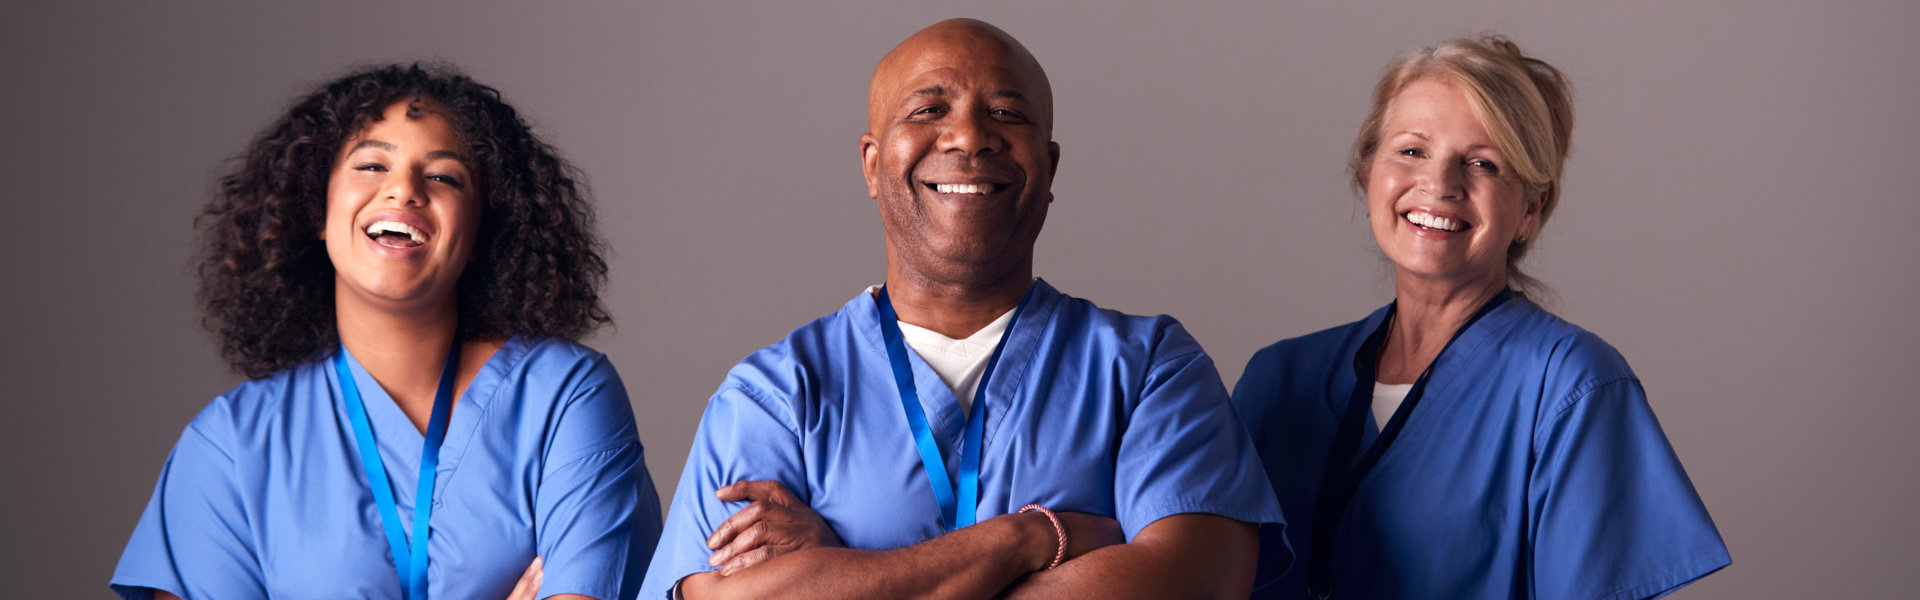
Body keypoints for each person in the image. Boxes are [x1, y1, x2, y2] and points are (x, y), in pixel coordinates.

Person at [640, 18, 1287, 600]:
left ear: (1050, 166)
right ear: (871, 164)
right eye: (928, 109)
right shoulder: (773, 395)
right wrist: (1031, 540)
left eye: (1007, 113)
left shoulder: (1148, 368)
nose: (970, 137)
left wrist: (844, 574)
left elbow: (1189, 584)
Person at [111, 63, 661, 600]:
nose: (404, 191)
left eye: (444, 176)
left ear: (479, 235)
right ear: (317, 213)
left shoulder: (565, 395)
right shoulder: (229, 445)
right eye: (372, 166)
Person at [1232, 36, 1730, 599]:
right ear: (1367, 172)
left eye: (1482, 163)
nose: (1440, 184)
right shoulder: (1278, 381)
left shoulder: (1571, 385)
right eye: (1412, 151)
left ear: (1530, 209)